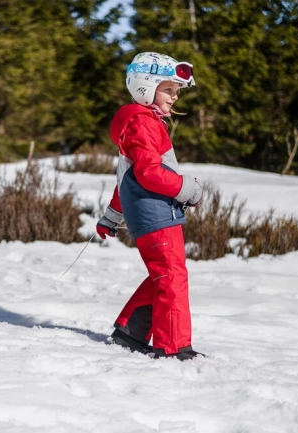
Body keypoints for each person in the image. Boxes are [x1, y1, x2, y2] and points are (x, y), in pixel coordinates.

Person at [96, 52, 203, 361]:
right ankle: (173, 349)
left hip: (154, 212)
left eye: (176, 91)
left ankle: (130, 333)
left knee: (163, 274)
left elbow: (126, 180)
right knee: (171, 275)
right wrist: (187, 189)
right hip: (156, 212)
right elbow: (148, 174)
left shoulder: (140, 123)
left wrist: (111, 217)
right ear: (146, 87)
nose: (174, 97)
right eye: (168, 89)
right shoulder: (142, 124)